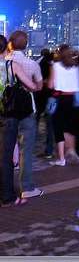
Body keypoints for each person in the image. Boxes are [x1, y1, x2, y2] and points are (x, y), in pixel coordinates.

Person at [1, 31, 44, 206]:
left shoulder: (10, 61)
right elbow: (35, 86)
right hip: (19, 111)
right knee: (23, 149)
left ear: (11, 44)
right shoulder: (16, 65)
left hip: (3, 113)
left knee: (5, 151)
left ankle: (6, 192)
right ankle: (23, 188)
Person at [47, 45, 79, 166]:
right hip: (73, 99)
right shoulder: (76, 66)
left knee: (58, 128)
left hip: (60, 98)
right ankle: (71, 150)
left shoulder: (55, 66)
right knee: (69, 127)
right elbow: (78, 86)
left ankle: (61, 158)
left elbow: (51, 85)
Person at [35, 48, 55, 159]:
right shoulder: (54, 65)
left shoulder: (38, 62)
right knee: (50, 124)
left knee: (35, 119)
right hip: (51, 96)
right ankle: (49, 150)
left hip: (39, 94)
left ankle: (32, 143)